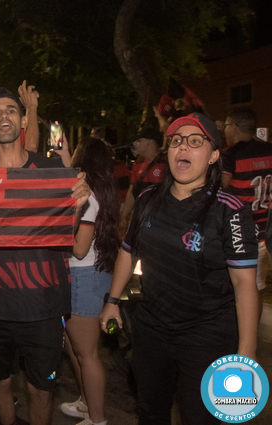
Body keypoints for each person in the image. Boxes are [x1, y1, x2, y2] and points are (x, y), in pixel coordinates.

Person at [100, 113, 259, 425]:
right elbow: (128, 252)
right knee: (150, 412)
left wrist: (247, 350)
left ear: (213, 155)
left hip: (207, 337)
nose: (183, 147)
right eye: (176, 141)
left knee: (199, 417)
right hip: (151, 331)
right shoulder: (147, 199)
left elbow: (244, 284)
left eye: (195, 141)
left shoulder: (230, 210)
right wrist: (112, 301)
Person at [0, 86, 90, 425]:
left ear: (23, 121)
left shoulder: (51, 171)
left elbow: (66, 232)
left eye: (11, 109)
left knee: (42, 390)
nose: (4, 115)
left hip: (43, 303)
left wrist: (77, 206)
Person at [60, 138, 121, 425]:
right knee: (75, 349)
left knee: (87, 354)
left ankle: (97, 420)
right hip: (92, 274)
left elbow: (79, 248)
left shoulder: (89, 200)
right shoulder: (100, 193)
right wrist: (64, 156)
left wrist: (54, 235)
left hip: (83, 277)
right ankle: (86, 403)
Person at [221, 107, 272, 320]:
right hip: (264, 233)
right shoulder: (269, 150)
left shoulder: (231, 154)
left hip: (240, 234)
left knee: (238, 288)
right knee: (256, 287)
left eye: (225, 126)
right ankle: (253, 330)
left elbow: (220, 189)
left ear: (234, 127)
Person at [120, 127, 165, 232]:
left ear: (149, 143)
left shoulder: (167, 163)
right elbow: (132, 191)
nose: (135, 144)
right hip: (141, 219)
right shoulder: (138, 164)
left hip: (160, 221)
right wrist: (124, 216)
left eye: (139, 140)